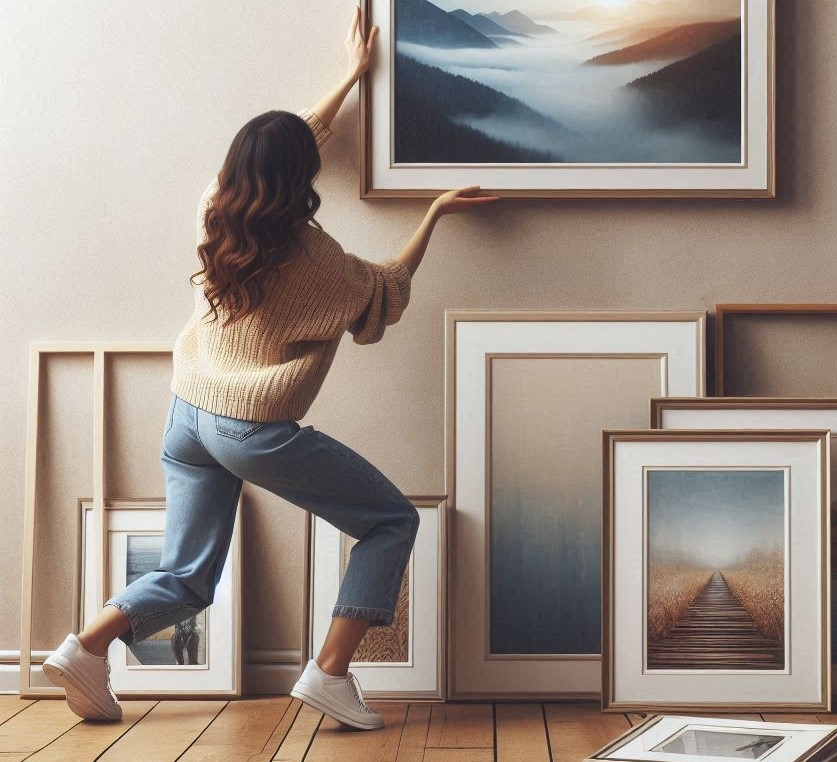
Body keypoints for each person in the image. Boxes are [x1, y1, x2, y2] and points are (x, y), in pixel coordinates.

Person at [40, 6, 498, 730]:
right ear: (303, 178)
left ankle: (86, 646)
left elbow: (295, 143)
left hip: (187, 411)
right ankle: (329, 673)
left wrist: (350, 76)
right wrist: (436, 211)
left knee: (189, 576)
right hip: (251, 427)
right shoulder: (315, 262)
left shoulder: (213, 209)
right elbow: (387, 291)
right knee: (389, 522)